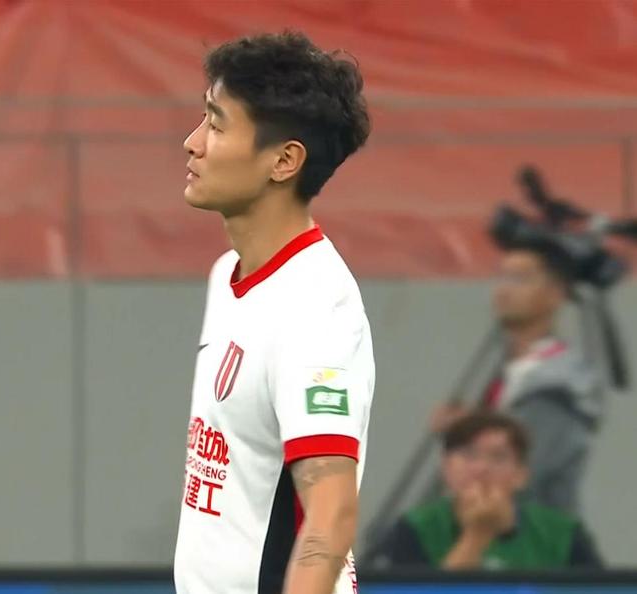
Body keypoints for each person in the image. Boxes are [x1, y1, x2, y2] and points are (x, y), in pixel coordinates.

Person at [173, 32, 374, 594]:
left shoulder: (317, 310)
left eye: (216, 125)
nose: (192, 143)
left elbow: (329, 515)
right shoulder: (227, 276)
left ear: (284, 161)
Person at [431, 244, 603, 515]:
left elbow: (524, 472)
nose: (504, 289)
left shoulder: (559, 386)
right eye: (501, 276)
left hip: (533, 534)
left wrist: (466, 435)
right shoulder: (510, 370)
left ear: (556, 294)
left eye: (520, 279)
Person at [379, 412, 602, 570]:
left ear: (521, 475)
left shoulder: (562, 534)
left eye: (498, 457)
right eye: (469, 455)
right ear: (446, 468)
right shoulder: (415, 528)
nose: (481, 468)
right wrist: (477, 536)